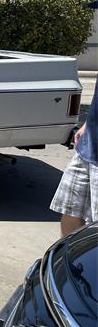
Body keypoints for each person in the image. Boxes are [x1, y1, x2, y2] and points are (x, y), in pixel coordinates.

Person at [51, 81, 98, 235]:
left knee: (95, 229)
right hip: (87, 147)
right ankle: (65, 257)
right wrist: (87, 124)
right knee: (70, 210)